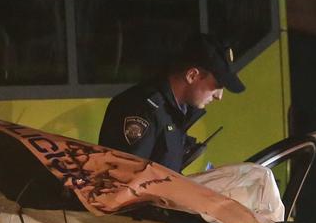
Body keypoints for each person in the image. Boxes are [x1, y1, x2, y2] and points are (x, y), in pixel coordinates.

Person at [99, 33, 244, 171]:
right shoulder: (142, 110)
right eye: (217, 87)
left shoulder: (175, 112)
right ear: (192, 75)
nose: (219, 96)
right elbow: (126, 182)